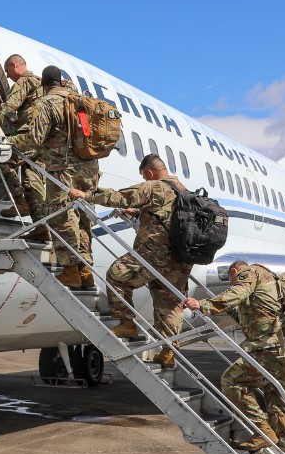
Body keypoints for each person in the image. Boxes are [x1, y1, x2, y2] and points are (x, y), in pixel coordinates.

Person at [183, 261, 285, 454]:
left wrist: (202, 305)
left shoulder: (249, 273)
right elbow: (245, 312)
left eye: (232, 279)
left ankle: (263, 430)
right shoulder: (272, 283)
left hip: (272, 349)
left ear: (234, 272)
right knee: (282, 406)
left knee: (232, 381)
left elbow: (237, 294)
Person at [69, 154, 194, 361]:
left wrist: (86, 195)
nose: (146, 180)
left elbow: (120, 196)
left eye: (146, 177)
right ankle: (168, 352)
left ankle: (126, 323)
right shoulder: (184, 192)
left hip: (155, 254)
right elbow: (167, 217)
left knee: (117, 275)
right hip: (181, 258)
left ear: (150, 173)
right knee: (169, 304)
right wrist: (138, 213)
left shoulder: (155, 186)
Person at [10, 65, 97, 290]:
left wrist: (7, 143)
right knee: (83, 218)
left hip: (62, 169)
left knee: (62, 218)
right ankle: (85, 271)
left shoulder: (47, 103)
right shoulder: (80, 102)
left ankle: (69, 271)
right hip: (89, 170)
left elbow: (33, 141)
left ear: (44, 85)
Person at [0, 55, 44, 219]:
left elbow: (9, 107)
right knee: (32, 182)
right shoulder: (41, 84)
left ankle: (19, 202)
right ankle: (41, 227)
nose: (7, 76)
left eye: (7, 71)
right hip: (44, 140)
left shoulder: (25, 81)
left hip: (30, 137)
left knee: (1, 158)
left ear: (14, 65)